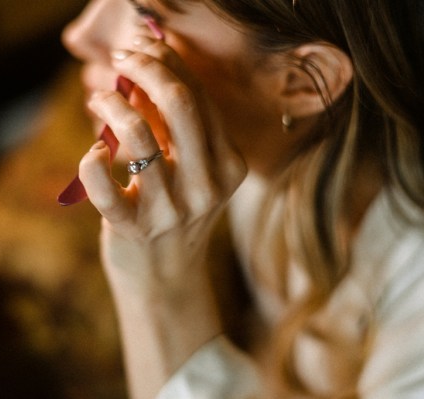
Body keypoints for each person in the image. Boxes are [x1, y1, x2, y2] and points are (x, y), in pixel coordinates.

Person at [60, 0, 424, 398]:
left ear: (304, 79)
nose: (78, 35)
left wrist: (157, 287)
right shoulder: (254, 162)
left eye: (149, 15)